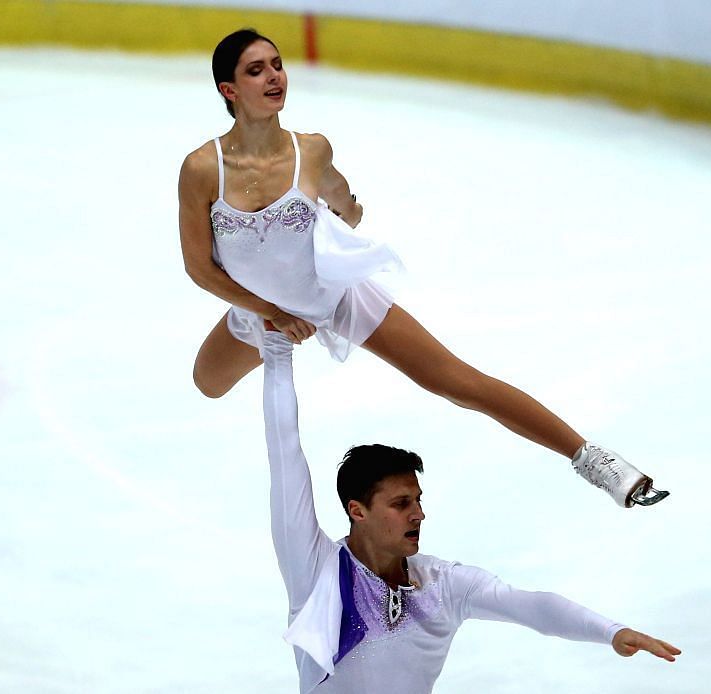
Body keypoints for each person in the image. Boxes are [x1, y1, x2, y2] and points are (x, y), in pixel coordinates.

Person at [179, 28, 667, 507]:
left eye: (278, 64)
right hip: (261, 309)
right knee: (207, 383)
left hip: (333, 297)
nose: (274, 77)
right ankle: (271, 321)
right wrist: (270, 311)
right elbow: (199, 268)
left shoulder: (312, 150)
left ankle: (595, 460)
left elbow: (344, 201)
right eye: (256, 70)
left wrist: (344, 215)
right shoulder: (203, 168)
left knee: (457, 383)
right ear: (229, 89)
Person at [259, 330, 680, 693]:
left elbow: (530, 606)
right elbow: (285, 453)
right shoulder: (315, 571)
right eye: (401, 504)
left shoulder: (442, 586)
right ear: (358, 510)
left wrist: (610, 632)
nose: (419, 514)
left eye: (418, 500)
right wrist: (277, 350)